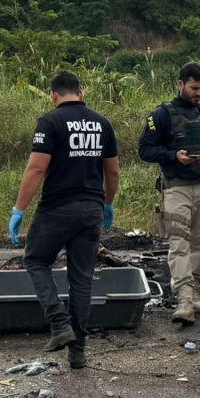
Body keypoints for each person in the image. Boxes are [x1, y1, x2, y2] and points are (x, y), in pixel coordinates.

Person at [7, 71, 119, 370]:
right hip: (92, 209)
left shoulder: (50, 121)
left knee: (35, 260)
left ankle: (59, 324)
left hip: (58, 208)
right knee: (81, 279)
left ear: (54, 95)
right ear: (80, 92)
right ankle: (78, 352)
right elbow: (113, 172)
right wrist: (107, 204)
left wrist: (19, 209)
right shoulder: (102, 123)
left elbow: (36, 170)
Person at [138, 61, 200, 326]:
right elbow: (145, 150)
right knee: (179, 243)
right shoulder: (162, 115)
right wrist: (173, 156)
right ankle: (184, 299)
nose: (198, 93)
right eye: (194, 87)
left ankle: (195, 292)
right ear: (180, 84)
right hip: (176, 187)